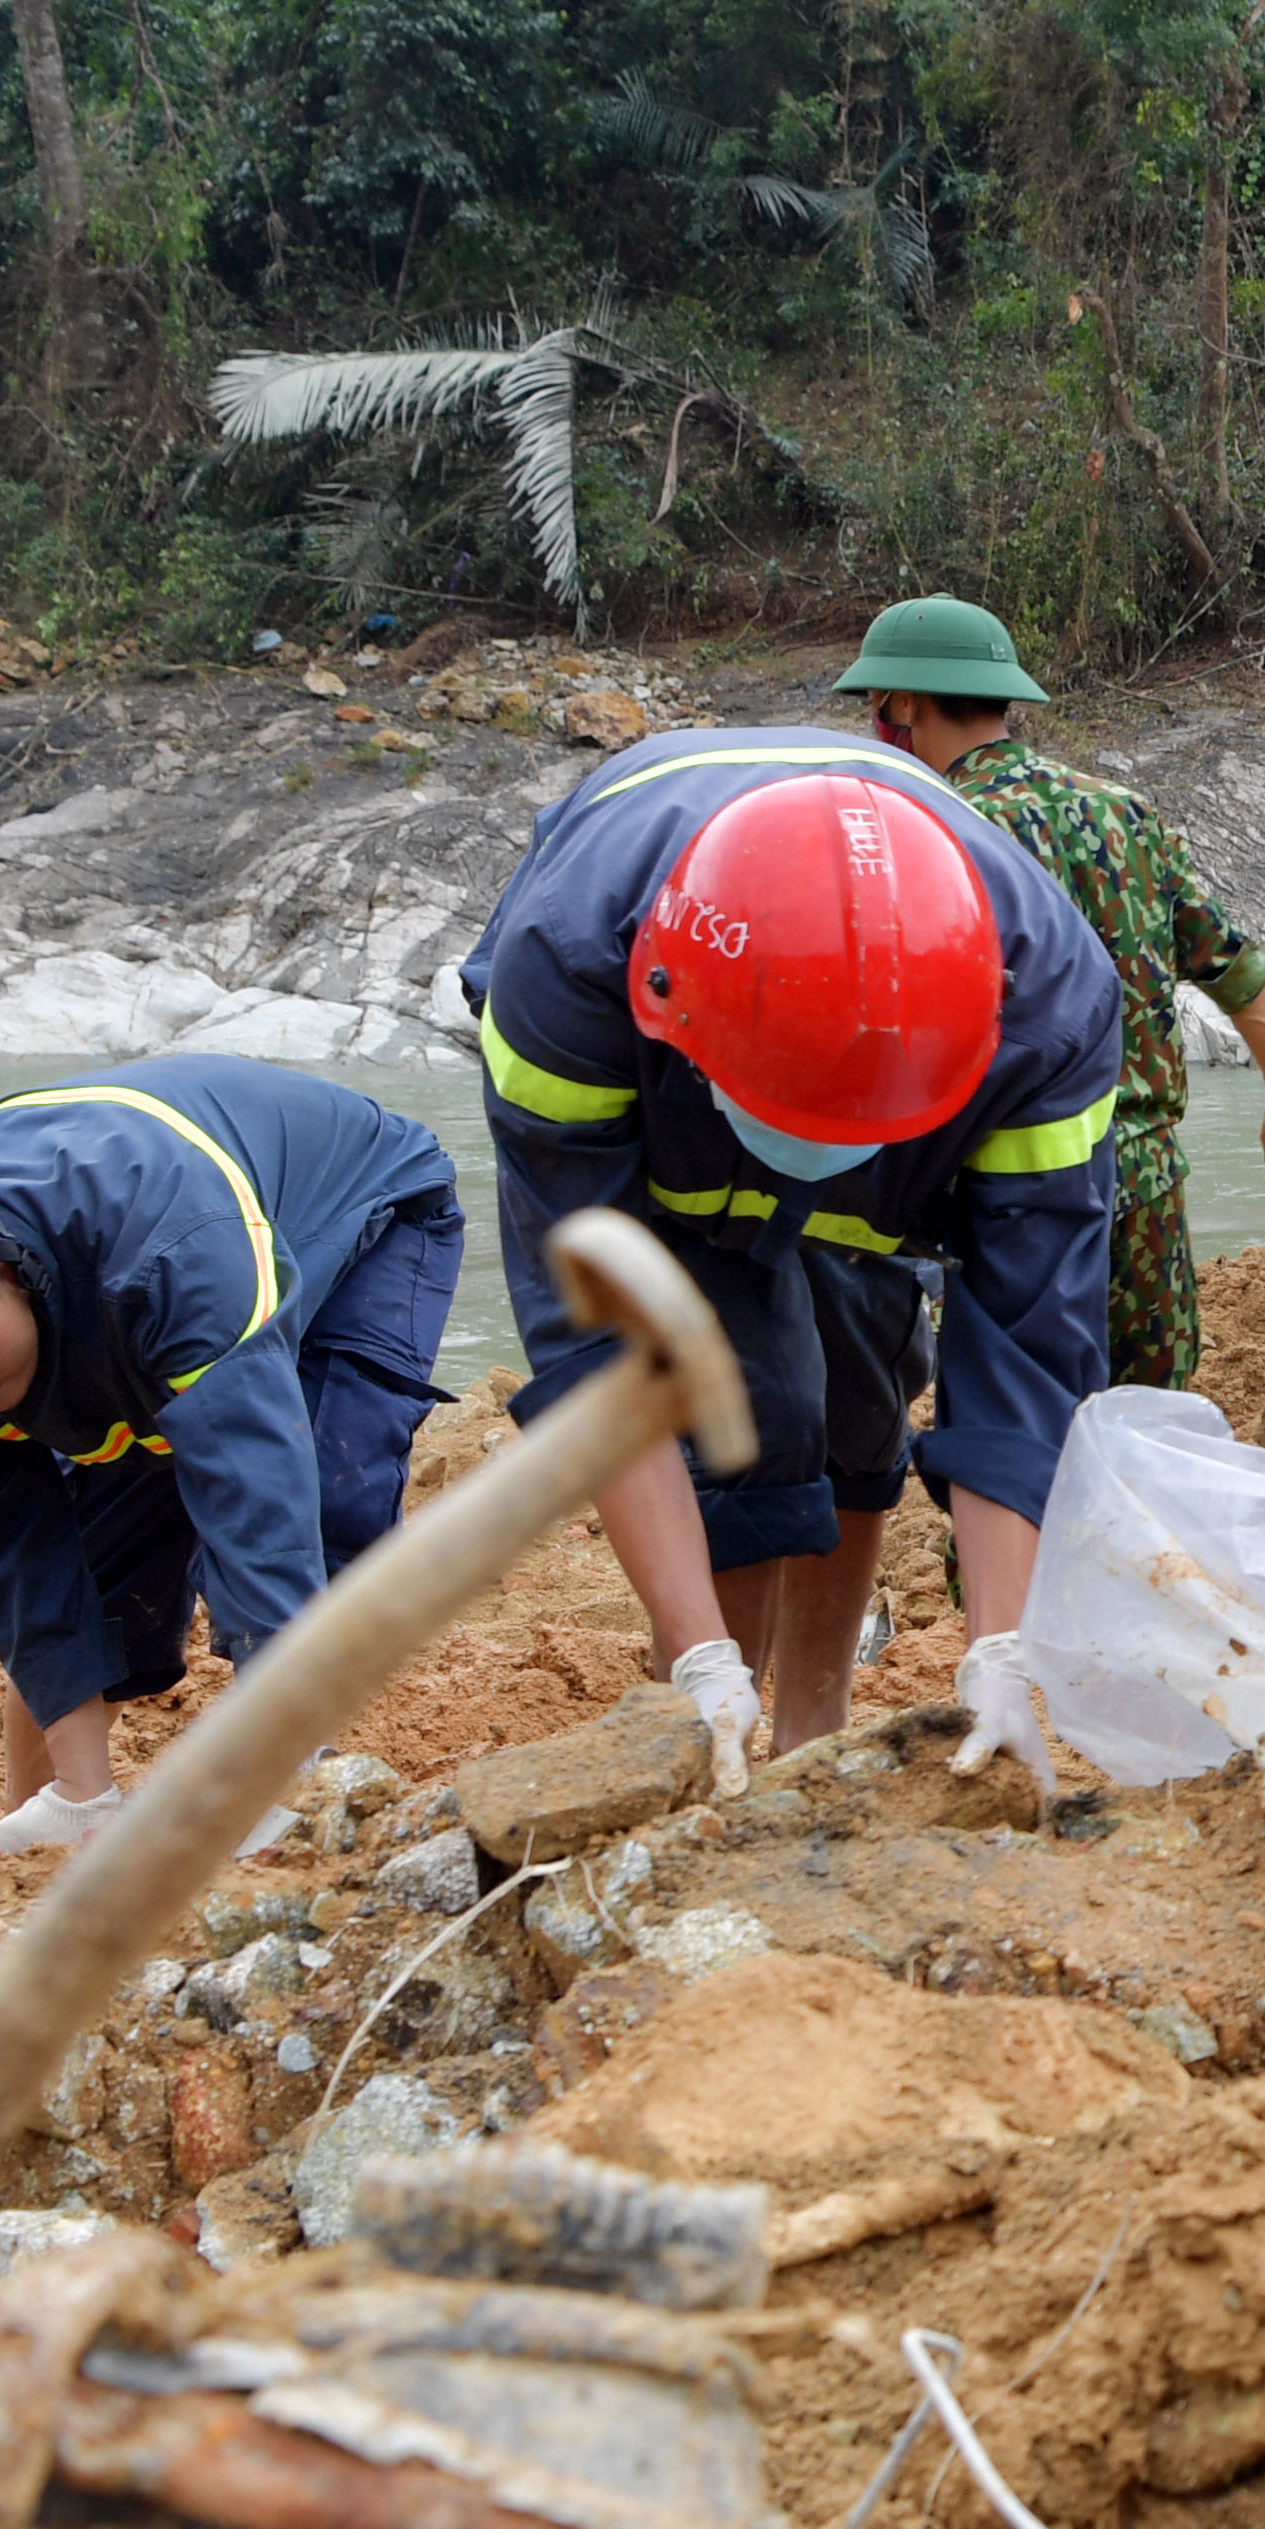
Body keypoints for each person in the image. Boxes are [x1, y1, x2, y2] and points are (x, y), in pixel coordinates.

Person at [460, 728, 1123, 1794]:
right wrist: (695, 1657)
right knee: (746, 1392)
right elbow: (605, 1357)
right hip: (669, 1074)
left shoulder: (1049, 1015)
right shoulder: (568, 974)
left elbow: (1028, 1348)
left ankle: (815, 1721)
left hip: (912, 1108)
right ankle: (718, 1698)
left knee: (865, 1369)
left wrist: (1006, 1650)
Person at [0, 1058, 464, 1854]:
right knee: (104, 1577)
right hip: (112, 1288)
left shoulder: (172, 1252)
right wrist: (81, 1800)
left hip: (357, 1214)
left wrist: (270, 1779)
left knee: (321, 1496)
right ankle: (61, 1798)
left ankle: (297, 1764)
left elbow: (257, 1498)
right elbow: (13, 1552)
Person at [831, 594, 1265, 1395]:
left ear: (905, 704)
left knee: (1015, 1442)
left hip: (1017, 1192)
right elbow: (1236, 969)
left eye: (874, 705)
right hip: (1148, 1189)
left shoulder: (928, 832)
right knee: (1147, 1437)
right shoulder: (1123, 812)